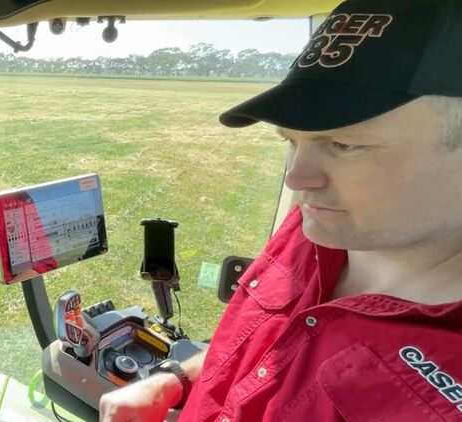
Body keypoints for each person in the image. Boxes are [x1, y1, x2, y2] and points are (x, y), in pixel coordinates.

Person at [100, 0, 462, 420]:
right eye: (291, 141)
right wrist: (174, 381)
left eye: (345, 145)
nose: (296, 178)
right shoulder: (316, 226)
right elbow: (260, 347)